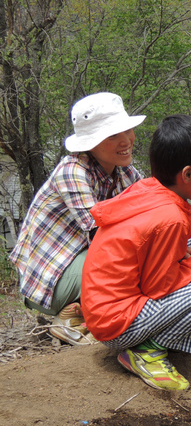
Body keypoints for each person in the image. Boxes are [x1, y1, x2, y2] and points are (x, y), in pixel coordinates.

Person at [81, 114, 191, 391]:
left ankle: (150, 341)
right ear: (188, 174)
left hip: (106, 309)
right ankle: (146, 352)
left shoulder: (150, 188)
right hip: (117, 323)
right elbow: (159, 286)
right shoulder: (170, 217)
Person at [9, 92, 145, 346]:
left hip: (84, 263)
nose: (126, 140)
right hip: (51, 278)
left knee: (145, 255)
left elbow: (151, 214)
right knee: (130, 260)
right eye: (113, 135)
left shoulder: (126, 172)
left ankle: (78, 315)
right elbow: (102, 236)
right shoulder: (73, 171)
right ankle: (81, 317)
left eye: (127, 130)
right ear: (90, 142)